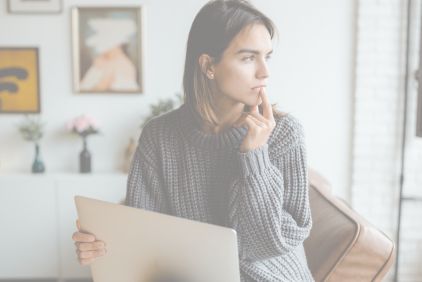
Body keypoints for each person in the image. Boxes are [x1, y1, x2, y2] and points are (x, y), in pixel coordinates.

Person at [72, 0, 314, 281]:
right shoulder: (160, 137)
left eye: (267, 57)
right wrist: (101, 248)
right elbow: (144, 233)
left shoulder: (284, 133)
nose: (265, 72)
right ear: (208, 65)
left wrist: (255, 156)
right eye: (249, 58)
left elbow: (263, 245)